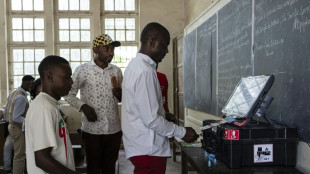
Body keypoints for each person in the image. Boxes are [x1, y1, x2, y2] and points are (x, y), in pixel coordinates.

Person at [121, 22, 199, 174]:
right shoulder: (145, 72)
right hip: (149, 149)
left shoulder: (135, 65)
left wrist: (164, 114)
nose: (167, 50)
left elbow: (143, 108)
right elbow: (151, 120)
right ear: (152, 42)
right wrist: (183, 132)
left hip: (140, 146)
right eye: (164, 45)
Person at [65, 34, 123, 174]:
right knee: (93, 168)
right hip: (92, 131)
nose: (111, 52)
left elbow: (122, 98)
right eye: (107, 48)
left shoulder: (116, 70)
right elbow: (68, 94)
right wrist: (83, 106)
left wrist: (119, 94)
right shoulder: (83, 70)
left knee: (110, 168)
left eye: (112, 49)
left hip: (113, 130)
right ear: (95, 49)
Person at [25, 55, 77, 174]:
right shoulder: (43, 107)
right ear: (50, 77)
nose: (72, 81)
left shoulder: (50, 104)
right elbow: (42, 159)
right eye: (67, 77)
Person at [4, 75, 34, 174]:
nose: (32, 87)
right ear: (27, 83)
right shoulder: (21, 97)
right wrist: (29, 121)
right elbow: (16, 117)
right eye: (32, 84)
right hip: (17, 128)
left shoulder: (13, 93)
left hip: (11, 127)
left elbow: (6, 111)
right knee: (20, 156)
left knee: (17, 153)